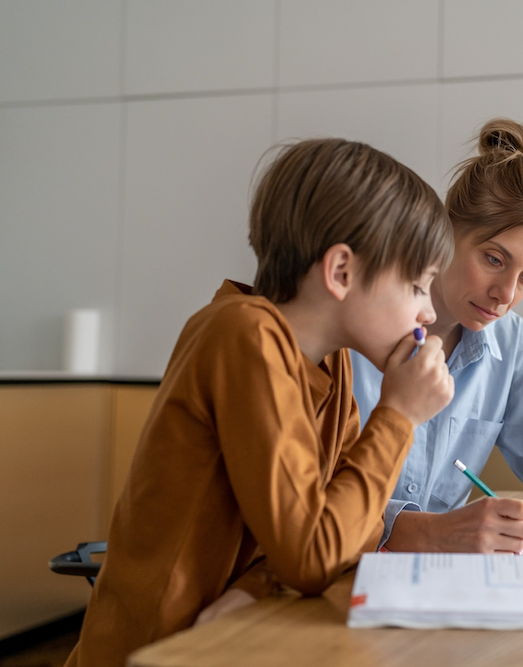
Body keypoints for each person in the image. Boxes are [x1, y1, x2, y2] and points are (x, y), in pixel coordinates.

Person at [65, 138, 455, 666]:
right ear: (341, 272)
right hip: (159, 653)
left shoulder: (332, 364)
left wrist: (251, 587)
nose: (429, 313)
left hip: (235, 639)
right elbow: (315, 555)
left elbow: (354, 534)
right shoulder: (243, 334)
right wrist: (399, 416)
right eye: (417, 285)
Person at [351, 119, 523, 555]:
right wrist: (432, 531)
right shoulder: (353, 329)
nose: (505, 295)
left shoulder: (507, 343)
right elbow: (308, 500)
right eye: (493, 259)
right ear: (442, 232)